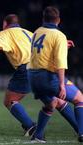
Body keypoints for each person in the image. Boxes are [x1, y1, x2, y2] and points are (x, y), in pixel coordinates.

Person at [0, 14, 78, 137]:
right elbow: (47, 43)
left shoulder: (6, 33)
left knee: (10, 100)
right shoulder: (29, 33)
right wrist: (63, 43)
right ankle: (79, 129)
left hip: (27, 69)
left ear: (5, 24)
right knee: (58, 101)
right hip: (45, 68)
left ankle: (31, 127)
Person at [28, 6, 83, 143]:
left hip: (32, 78)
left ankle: (38, 136)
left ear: (43, 19)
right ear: (58, 20)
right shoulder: (59, 35)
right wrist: (61, 85)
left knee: (52, 103)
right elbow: (60, 63)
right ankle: (82, 133)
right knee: (80, 99)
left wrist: (63, 44)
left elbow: (44, 49)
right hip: (48, 78)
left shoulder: (37, 32)